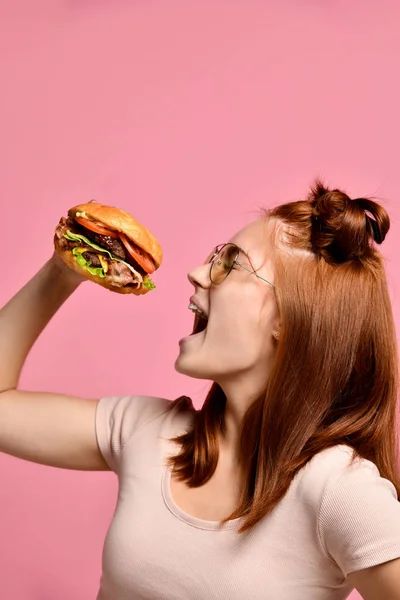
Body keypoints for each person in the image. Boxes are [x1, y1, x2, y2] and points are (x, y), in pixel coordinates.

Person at [1, 181, 400, 600]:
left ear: (289, 317)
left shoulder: (338, 489)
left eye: (230, 264)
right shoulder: (147, 432)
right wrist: (60, 272)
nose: (195, 273)